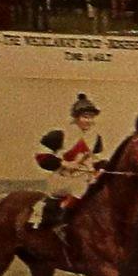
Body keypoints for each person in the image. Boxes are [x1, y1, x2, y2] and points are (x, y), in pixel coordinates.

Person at [34, 92, 104, 238]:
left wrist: (99, 170)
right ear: (76, 117)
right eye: (85, 117)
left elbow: (97, 160)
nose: (88, 121)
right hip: (61, 179)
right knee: (81, 187)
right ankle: (61, 222)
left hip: (84, 178)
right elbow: (41, 157)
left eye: (91, 117)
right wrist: (64, 163)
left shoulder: (95, 138)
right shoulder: (60, 135)